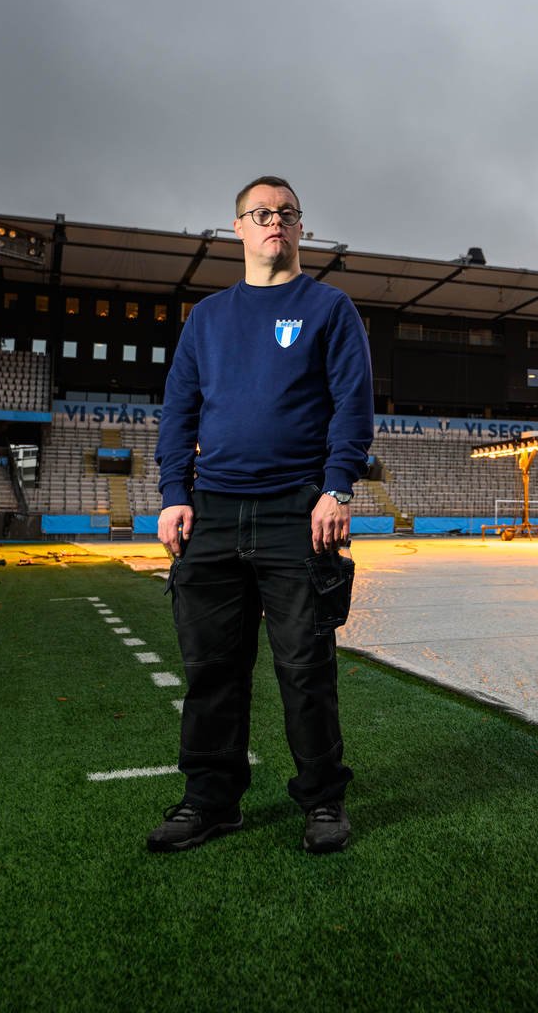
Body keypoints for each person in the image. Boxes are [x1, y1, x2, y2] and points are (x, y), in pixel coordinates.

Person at [148, 175, 373, 855]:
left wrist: (337, 488)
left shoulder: (330, 308)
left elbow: (352, 406)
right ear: (238, 229)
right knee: (212, 668)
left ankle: (322, 800)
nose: (274, 222)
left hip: (294, 513)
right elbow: (178, 412)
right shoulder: (208, 319)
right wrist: (173, 493)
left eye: (286, 213)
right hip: (211, 513)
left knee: (305, 667)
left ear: (300, 227)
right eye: (260, 213)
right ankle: (211, 801)